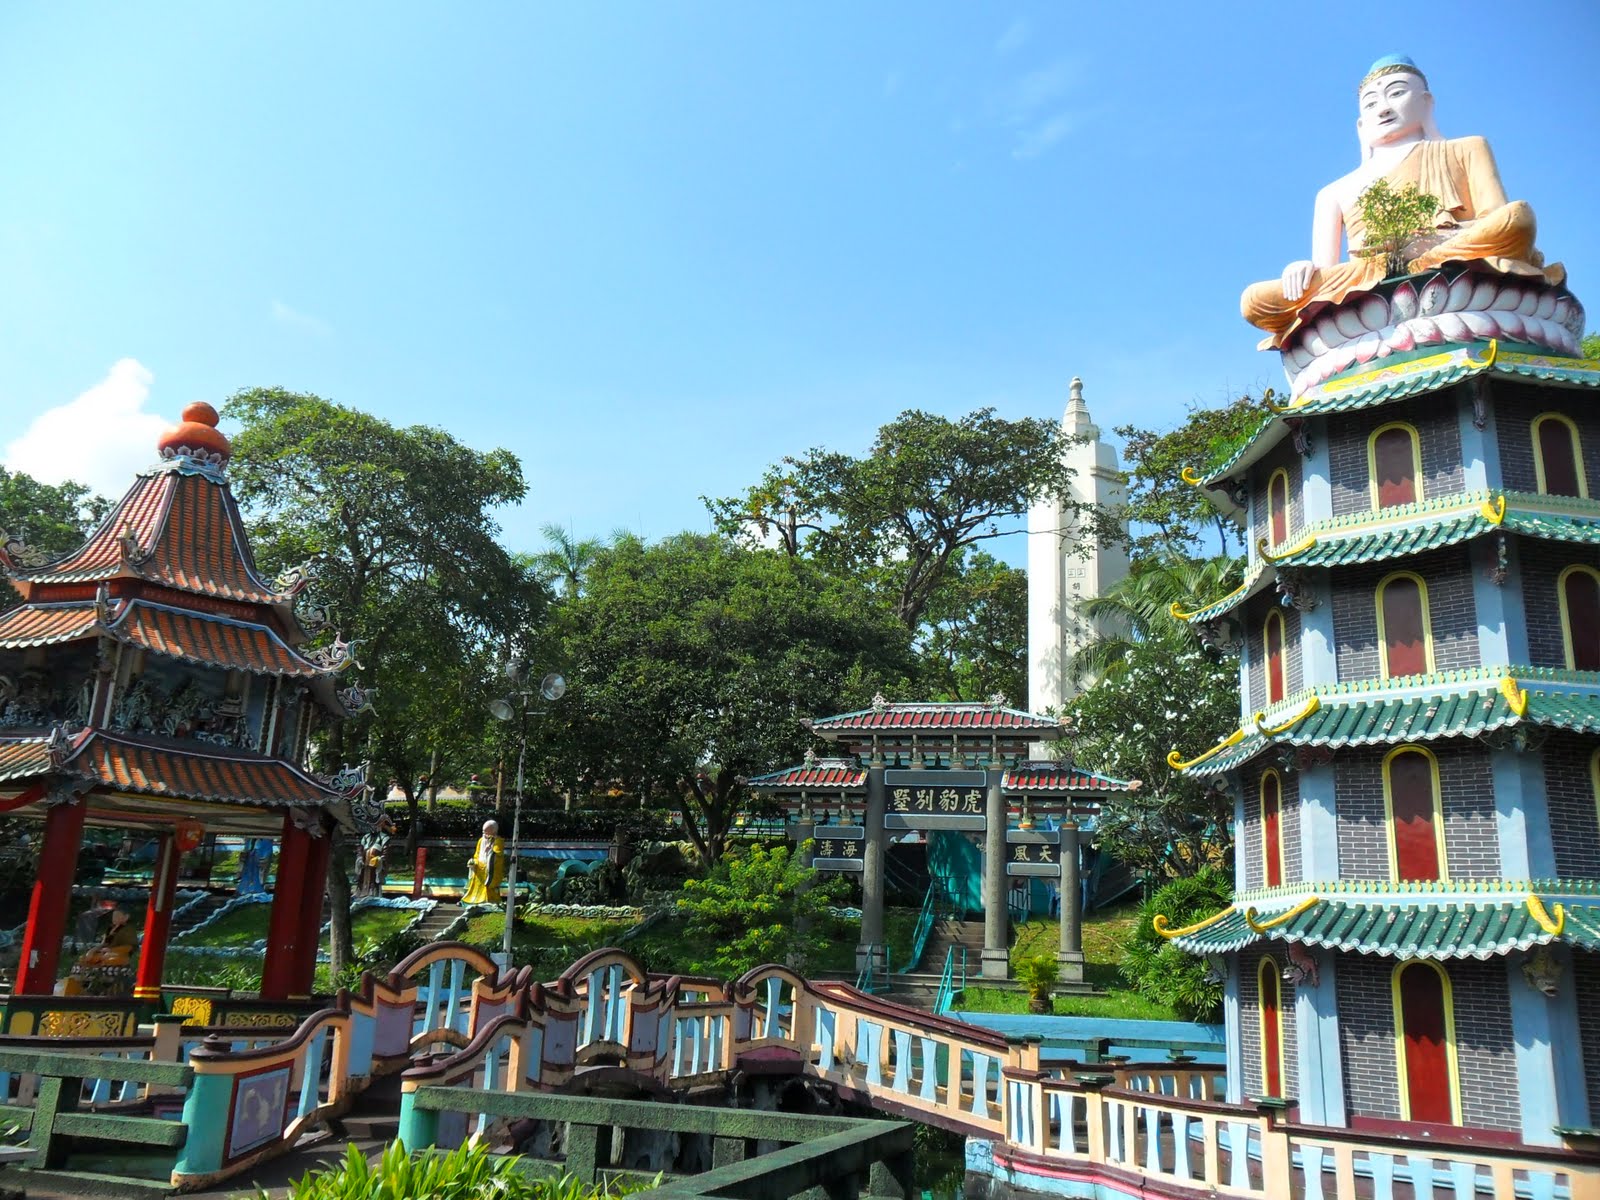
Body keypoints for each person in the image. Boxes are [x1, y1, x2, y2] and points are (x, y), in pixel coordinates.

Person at [1241, 55, 1563, 348]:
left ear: (1426, 103)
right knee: (1253, 300)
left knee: (1517, 217)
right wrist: (1303, 269)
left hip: (1446, 264)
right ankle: (1414, 280)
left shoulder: (1466, 149)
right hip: (1367, 277)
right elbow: (1329, 272)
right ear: (1360, 124)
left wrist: (1418, 245)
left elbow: (1500, 221)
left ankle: (1418, 275)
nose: (1383, 108)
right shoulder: (1334, 192)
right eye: (1370, 103)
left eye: (1396, 93)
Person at [461, 819, 504, 904]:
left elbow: (497, 854)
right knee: (476, 885)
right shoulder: (481, 840)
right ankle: (474, 899)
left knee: (489, 885)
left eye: (486, 831)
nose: (484, 833)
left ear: (493, 831)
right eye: (483, 831)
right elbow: (477, 853)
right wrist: (474, 861)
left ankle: (490, 900)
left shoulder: (498, 841)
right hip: (479, 867)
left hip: (489, 869)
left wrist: (491, 849)